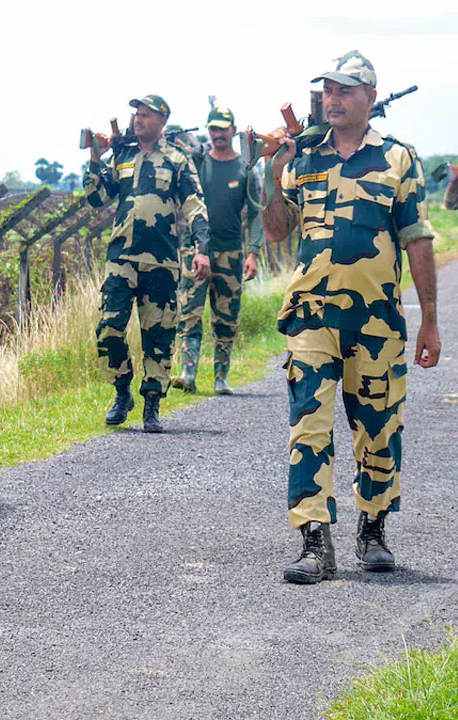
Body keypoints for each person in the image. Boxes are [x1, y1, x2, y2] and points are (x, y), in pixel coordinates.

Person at [261, 51, 441, 584]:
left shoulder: (398, 160)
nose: (333, 100)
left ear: (370, 97)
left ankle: (374, 529)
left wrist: (429, 317)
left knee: (380, 427)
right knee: (309, 428)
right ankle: (314, 542)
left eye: (345, 91)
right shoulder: (303, 158)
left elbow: (417, 238)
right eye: (327, 92)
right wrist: (275, 174)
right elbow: (275, 230)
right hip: (311, 317)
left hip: (377, 321)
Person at [84, 94, 211, 432]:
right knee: (108, 327)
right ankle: (122, 390)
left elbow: (195, 204)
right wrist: (96, 159)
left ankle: (152, 403)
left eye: (146, 115)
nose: (138, 120)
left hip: (163, 261)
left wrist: (202, 247)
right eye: (136, 115)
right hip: (121, 258)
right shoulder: (122, 156)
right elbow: (97, 198)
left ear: (162, 121)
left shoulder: (177, 159)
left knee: (159, 335)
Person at [170, 106, 263, 395]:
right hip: (196, 250)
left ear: (233, 130)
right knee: (190, 313)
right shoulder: (199, 164)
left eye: (223, 129)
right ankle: (188, 373)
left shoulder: (245, 169)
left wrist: (253, 252)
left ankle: (221, 377)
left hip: (231, 252)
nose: (218, 134)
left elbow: (256, 213)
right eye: (213, 129)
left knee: (226, 318)